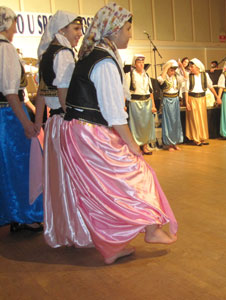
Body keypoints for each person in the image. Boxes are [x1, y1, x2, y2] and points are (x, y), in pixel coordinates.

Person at [61, 3, 177, 264]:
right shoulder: (103, 62)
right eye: (127, 28)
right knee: (139, 173)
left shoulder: (95, 56)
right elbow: (114, 113)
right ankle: (150, 229)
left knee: (102, 191)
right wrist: (133, 145)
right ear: (113, 31)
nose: (129, 34)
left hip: (80, 130)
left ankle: (113, 245)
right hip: (88, 133)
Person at [37, 11, 93, 247]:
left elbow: (41, 91)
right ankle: (76, 229)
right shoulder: (63, 54)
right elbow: (62, 91)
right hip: (64, 122)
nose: (80, 34)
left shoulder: (48, 53)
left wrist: (38, 120)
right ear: (62, 30)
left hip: (53, 124)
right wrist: (72, 119)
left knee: (61, 178)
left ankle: (65, 227)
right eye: (75, 30)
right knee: (73, 177)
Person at [0, 7, 44, 231]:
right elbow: (10, 91)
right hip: (9, 115)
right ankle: (25, 216)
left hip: (6, 114)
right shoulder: (5, 49)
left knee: (7, 166)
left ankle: (13, 213)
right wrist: (26, 122)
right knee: (22, 165)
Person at [126, 54, 157, 155]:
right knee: (136, 126)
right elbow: (125, 92)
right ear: (135, 64)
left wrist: (153, 105)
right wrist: (123, 105)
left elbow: (150, 91)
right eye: (139, 62)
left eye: (143, 62)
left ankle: (145, 146)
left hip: (147, 102)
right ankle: (136, 146)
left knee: (147, 125)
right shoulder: (130, 75)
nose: (141, 64)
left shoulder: (146, 75)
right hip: (135, 102)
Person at [185, 58, 219, 145]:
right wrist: (187, 102)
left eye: (192, 67)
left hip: (202, 99)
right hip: (192, 99)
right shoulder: (189, 77)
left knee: (202, 119)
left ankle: (202, 137)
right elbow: (186, 90)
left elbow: (210, 86)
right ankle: (196, 139)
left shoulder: (205, 75)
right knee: (194, 119)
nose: (190, 68)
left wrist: (217, 97)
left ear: (197, 67)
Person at [158, 59, 186, 151]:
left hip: (175, 100)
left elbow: (186, 77)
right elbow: (161, 80)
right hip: (167, 100)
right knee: (168, 122)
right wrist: (166, 68)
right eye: (171, 70)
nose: (173, 72)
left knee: (176, 122)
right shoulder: (163, 77)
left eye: (174, 70)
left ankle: (175, 142)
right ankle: (169, 143)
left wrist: (181, 67)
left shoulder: (176, 78)